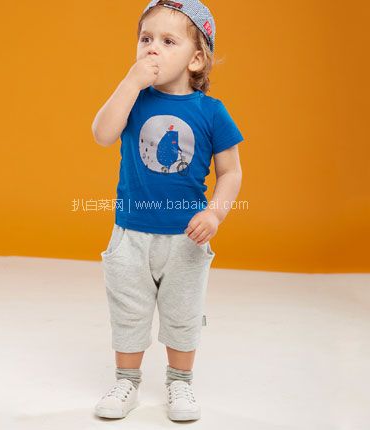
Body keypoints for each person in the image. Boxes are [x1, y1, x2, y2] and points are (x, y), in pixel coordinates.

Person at [92, 0, 244, 421]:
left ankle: (180, 383)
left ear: (196, 59)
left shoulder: (211, 112)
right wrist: (130, 82)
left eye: (167, 41)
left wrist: (214, 214)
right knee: (128, 310)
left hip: (185, 238)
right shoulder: (134, 100)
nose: (152, 48)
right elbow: (102, 134)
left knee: (182, 313)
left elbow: (231, 172)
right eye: (145, 39)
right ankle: (127, 381)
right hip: (131, 234)